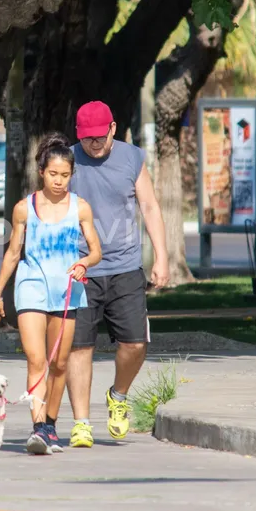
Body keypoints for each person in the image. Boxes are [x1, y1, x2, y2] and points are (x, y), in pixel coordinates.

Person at [66, 100, 170, 448]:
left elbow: (150, 206)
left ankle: (118, 395)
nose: (92, 145)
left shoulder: (132, 158)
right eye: (86, 139)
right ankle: (81, 422)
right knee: (79, 347)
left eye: (99, 137)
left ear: (112, 128)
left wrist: (162, 258)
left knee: (135, 343)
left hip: (125, 266)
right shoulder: (66, 160)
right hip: (79, 268)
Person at [0, 133, 102, 455]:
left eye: (65, 175)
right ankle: (38, 428)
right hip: (31, 288)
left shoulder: (80, 208)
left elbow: (96, 251)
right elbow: (13, 253)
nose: (58, 181)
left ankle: (51, 424)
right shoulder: (24, 209)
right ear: (42, 171)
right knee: (37, 360)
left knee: (61, 364)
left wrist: (84, 263)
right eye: (53, 174)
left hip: (67, 290)